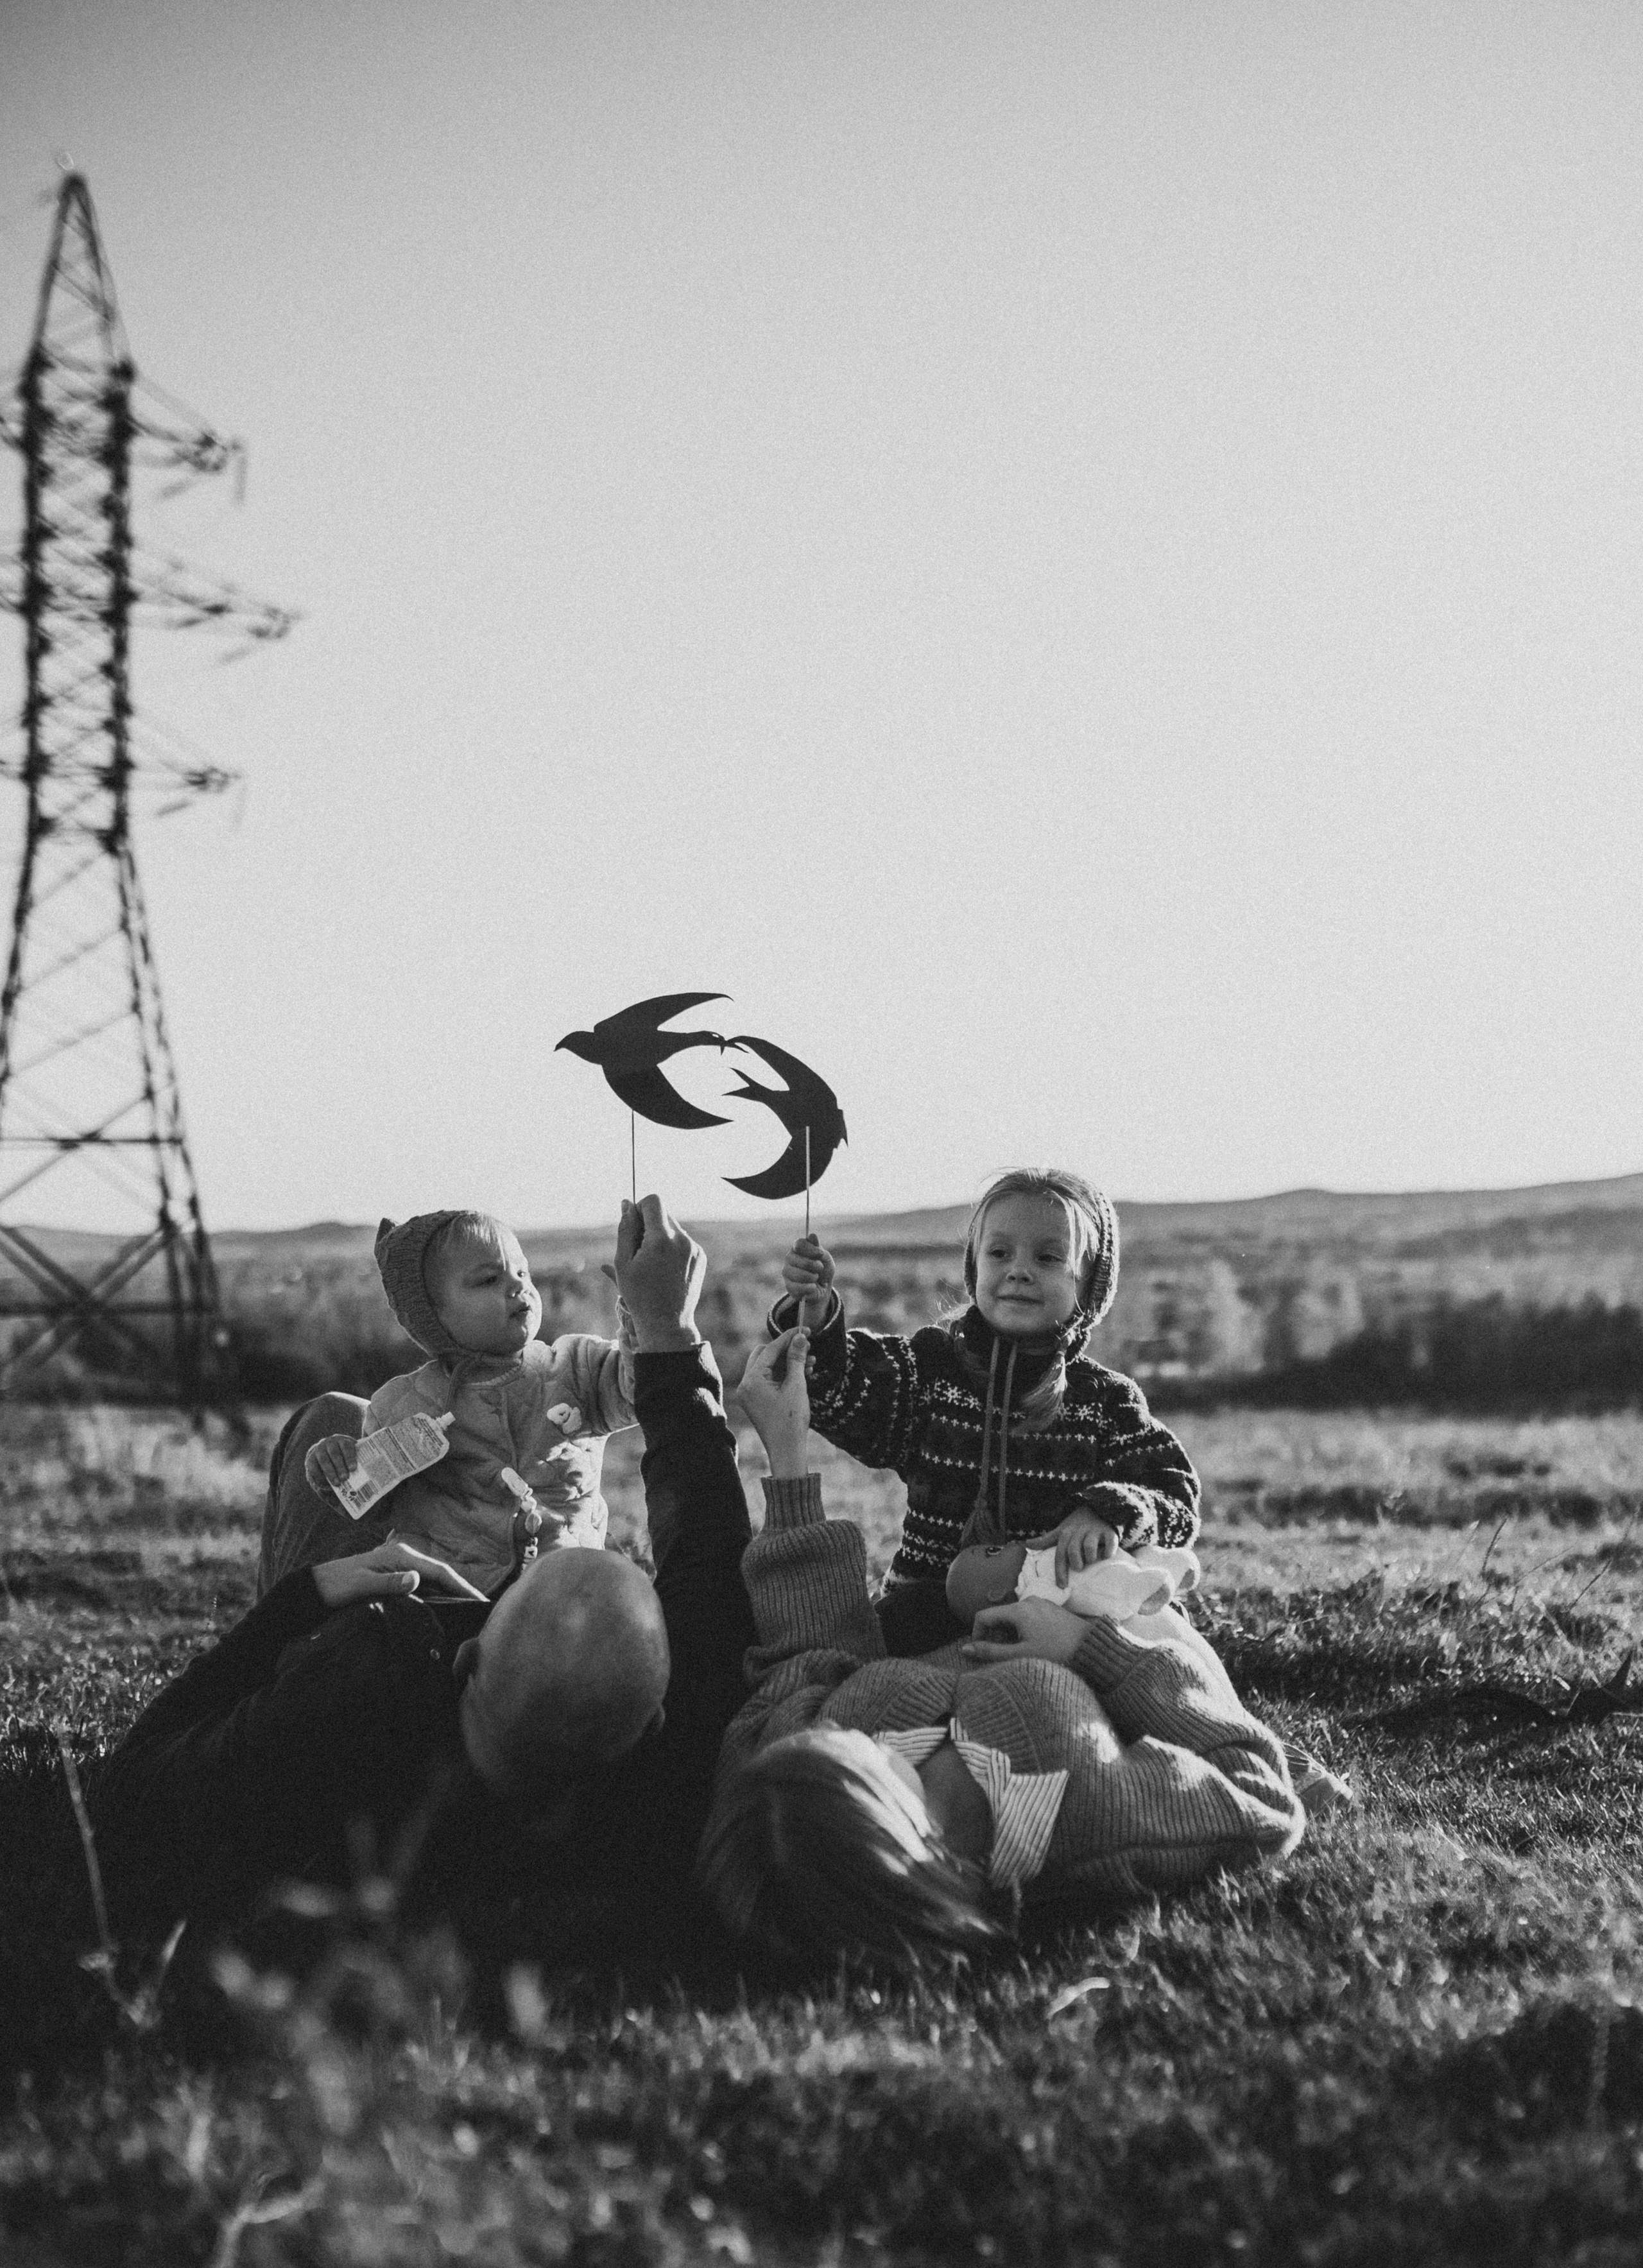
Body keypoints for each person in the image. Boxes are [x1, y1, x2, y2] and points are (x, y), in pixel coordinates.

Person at [93, 1198, 758, 1964]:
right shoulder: (672, 1796)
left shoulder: (347, 1702)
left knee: (329, 1419)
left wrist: (302, 1603)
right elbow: (711, 1554)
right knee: (347, 1423)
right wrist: (667, 1329)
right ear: (652, 1722)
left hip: (352, 1641)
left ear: (467, 1655)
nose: (517, 1289)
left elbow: (124, 1796)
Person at [696, 1326, 1303, 1975]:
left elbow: (807, 1660)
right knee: (1147, 1596)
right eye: (859, 1759)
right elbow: (1261, 1799)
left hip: (967, 1597)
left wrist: (787, 1454)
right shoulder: (1099, 1822)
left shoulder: (785, 1801)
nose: (843, 1734)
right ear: (912, 1841)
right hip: (1103, 1629)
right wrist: (1094, 1650)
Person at [773, 1167, 1200, 1653]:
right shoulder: (931, 1371)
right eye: (1000, 1253)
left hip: (1054, 1624)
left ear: (1090, 1287)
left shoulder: (1106, 1402)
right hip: (926, 1616)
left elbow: (1176, 1498)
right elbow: (843, 1392)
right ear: (975, 1268)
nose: (1019, 1270)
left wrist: (1108, 1512)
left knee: (1143, 1647)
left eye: (1048, 1257)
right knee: (869, 1652)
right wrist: (818, 1318)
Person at [257, 1209, 635, 1600]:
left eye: (523, 1272)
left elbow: (645, 1387)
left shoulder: (578, 1367)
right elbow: (373, 1509)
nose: (517, 1286)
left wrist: (646, 1315)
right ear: (432, 1314)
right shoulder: (402, 1405)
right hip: (443, 1596)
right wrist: (335, 1468)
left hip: (562, 1592)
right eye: (489, 1279)